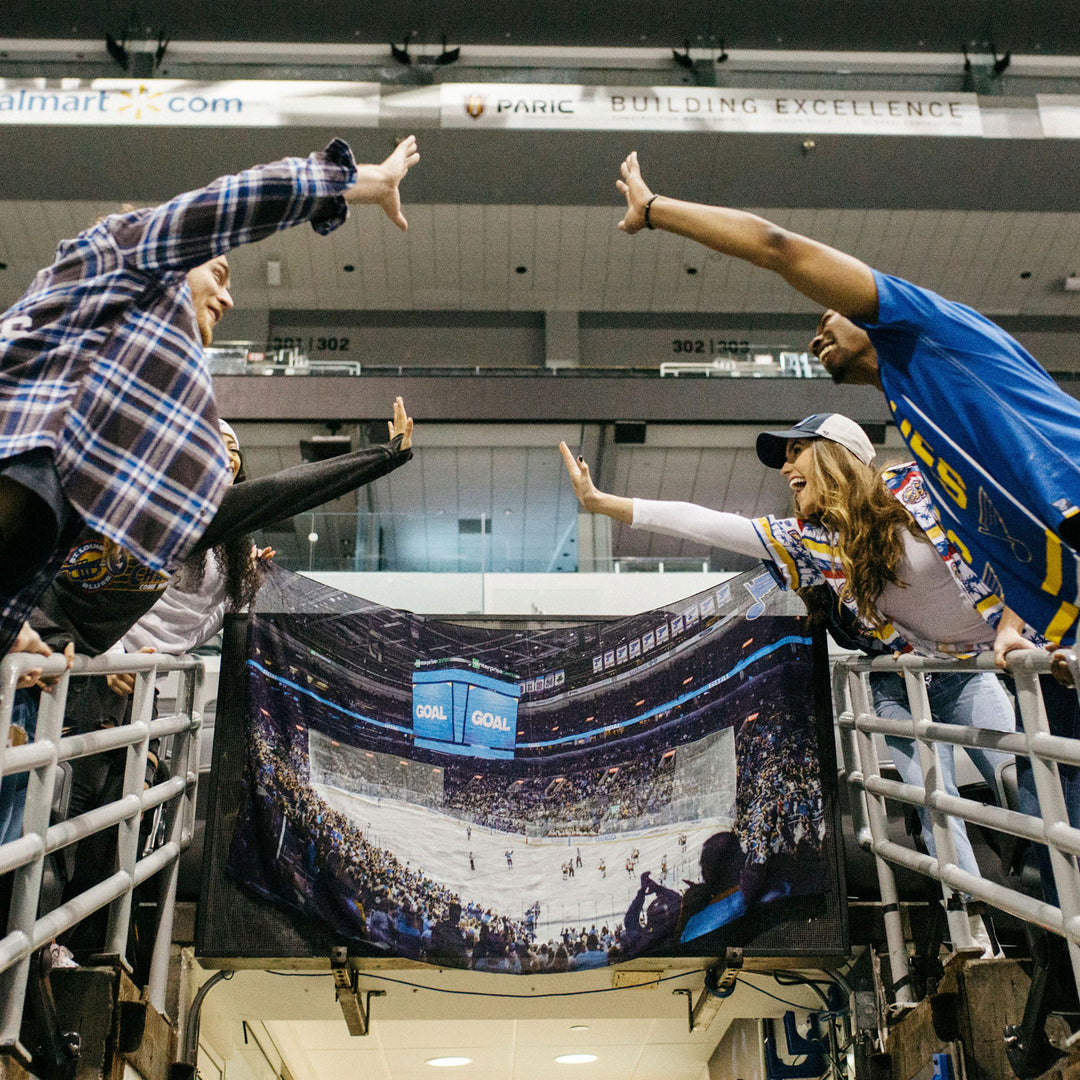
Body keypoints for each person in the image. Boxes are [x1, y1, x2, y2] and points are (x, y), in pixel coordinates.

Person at [562, 413, 1034, 953]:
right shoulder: (811, 543)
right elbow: (708, 523)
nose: (785, 467)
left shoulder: (914, 487)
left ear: (838, 453)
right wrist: (602, 503)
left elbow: (1010, 532)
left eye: (795, 452)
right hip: (921, 669)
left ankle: (1046, 894)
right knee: (934, 801)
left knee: (1017, 779)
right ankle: (973, 935)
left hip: (996, 653)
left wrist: (1012, 625)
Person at [614, 150, 1080, 650]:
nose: (816, 340)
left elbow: (778, 248)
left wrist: (653, 208)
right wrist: (1012, 628)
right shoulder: (912, 413)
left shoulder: (923, 326)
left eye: (826, 319)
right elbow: (1003, 542)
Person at [0, 134, 419, 660]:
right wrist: (371, 181)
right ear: (173, 259)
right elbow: (241, 199)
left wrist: (24, 629)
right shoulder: (117, 250)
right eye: (217, 274)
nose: (229, 297)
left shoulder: (103, 424)